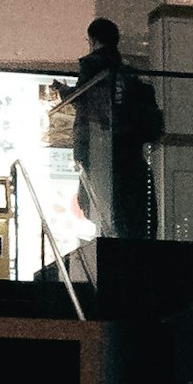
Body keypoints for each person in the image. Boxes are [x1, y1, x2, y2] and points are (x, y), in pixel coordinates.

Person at [70, 15, 165, 242]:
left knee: (102, 199)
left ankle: (112, 239)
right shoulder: (128, 72)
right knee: (128, 202)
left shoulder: (91, 65)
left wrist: (65, 93)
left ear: (92, 40)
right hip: (129, 147)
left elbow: (82, 98)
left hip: (101, 146)